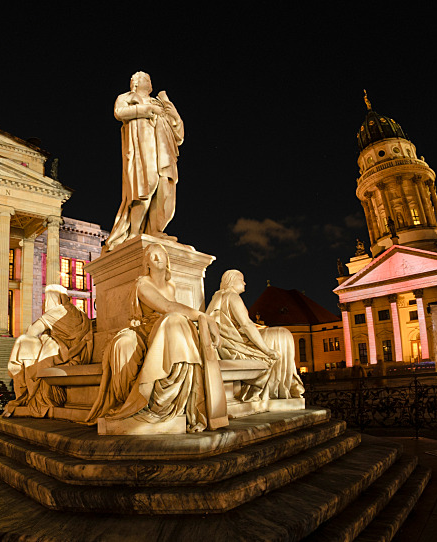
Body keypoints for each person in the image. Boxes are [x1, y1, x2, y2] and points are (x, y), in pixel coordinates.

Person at [86, 244, 216, 432]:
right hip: (143, 330)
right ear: (146, 263)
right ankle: (132, 402)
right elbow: (167, 306)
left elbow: (171, 308)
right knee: (124, 344)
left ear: (167, 259)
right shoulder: (142, 284)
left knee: (175, 323)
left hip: (160, 328)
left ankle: (167, 399)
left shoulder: (170, 285)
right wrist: (204, 316)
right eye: (152, 256)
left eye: (160, 254)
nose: (157, 258)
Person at [105, 72, 184, 251]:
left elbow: (178, 130)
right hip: (141, 149)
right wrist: (147, 111)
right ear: (135, 83)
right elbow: (119, 113)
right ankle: (134, 232)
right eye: (145, 80)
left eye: (149, 80)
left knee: (164, 188)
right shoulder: (127, 98)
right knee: (144, 187)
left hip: (163, 151)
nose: (149, 83)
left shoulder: (159, 102)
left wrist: (167, 106)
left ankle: (156, 230)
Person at [206, 270, 304, 401]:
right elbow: (246, 325)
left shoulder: (218, 297)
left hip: (229, 341)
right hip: (237, 343)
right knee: (283, 335)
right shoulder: (232, 296)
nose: (244, 283)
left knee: (281, 335)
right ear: (232, 281)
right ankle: (279, 389)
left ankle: (282, 387)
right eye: (241, 280)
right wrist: (266, 350)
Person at [4, 284, 94, 417]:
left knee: (23, 342)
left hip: (61, 352)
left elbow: (31, 332)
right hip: (77, 354)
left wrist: (47, 333)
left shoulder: (56, 312)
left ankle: (29, 395)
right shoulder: (80, 312)